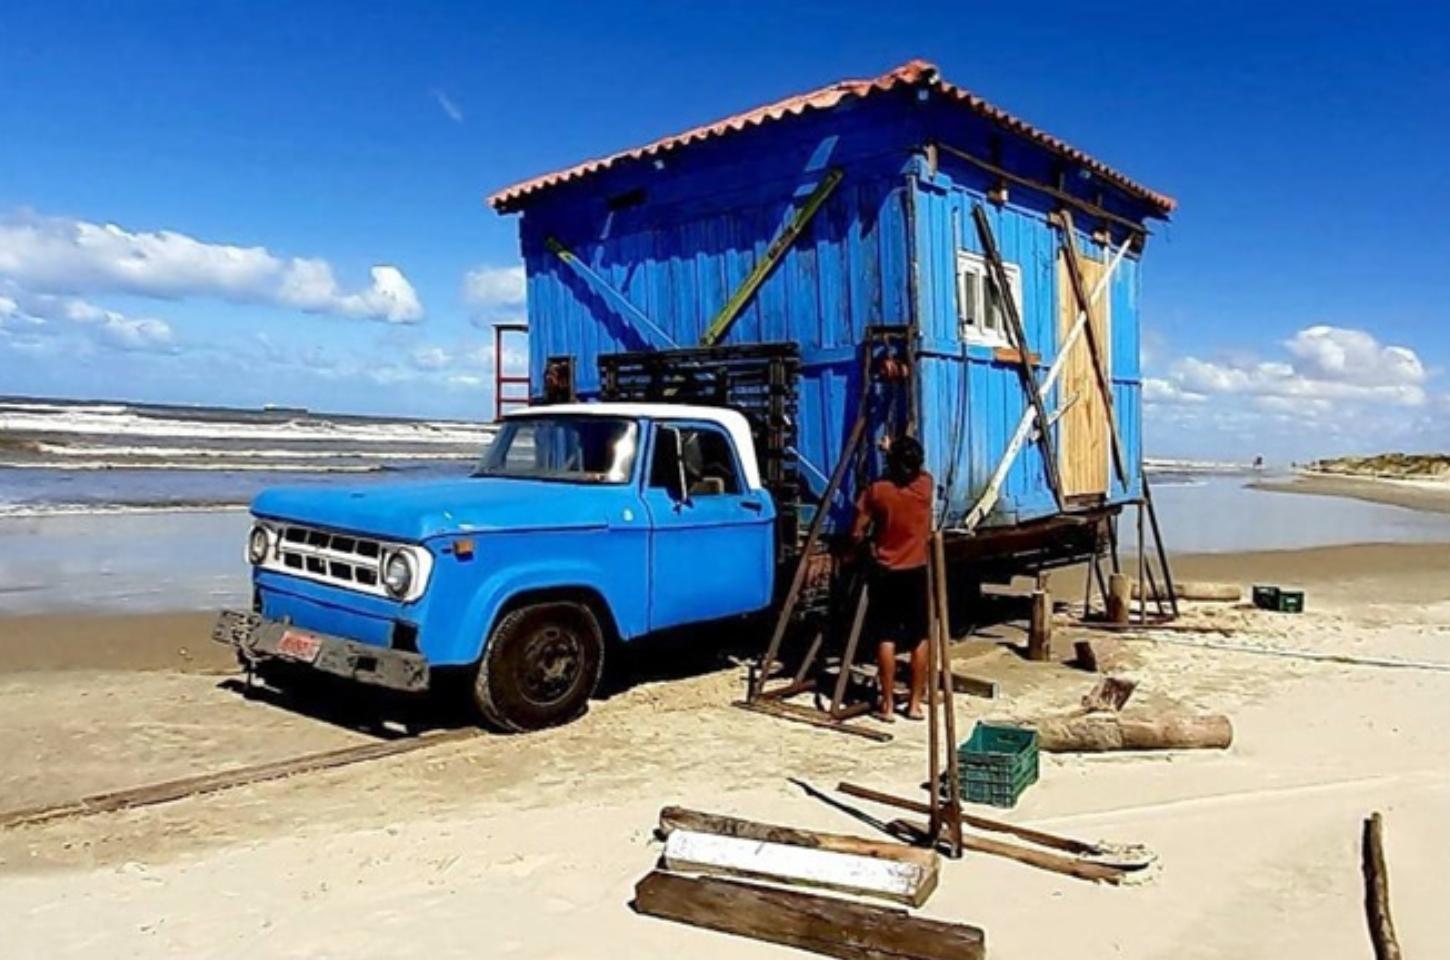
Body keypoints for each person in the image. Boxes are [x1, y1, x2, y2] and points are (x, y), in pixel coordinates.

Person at [851, 434, 933, 722]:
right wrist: (893, 451)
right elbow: (917, 471)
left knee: (885, 636)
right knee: (920, 636)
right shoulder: (925, 487)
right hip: (916, 570)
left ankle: (886, 705)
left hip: (886, 570)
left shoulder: (877, 491)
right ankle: (914, 703)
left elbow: (857, 531)